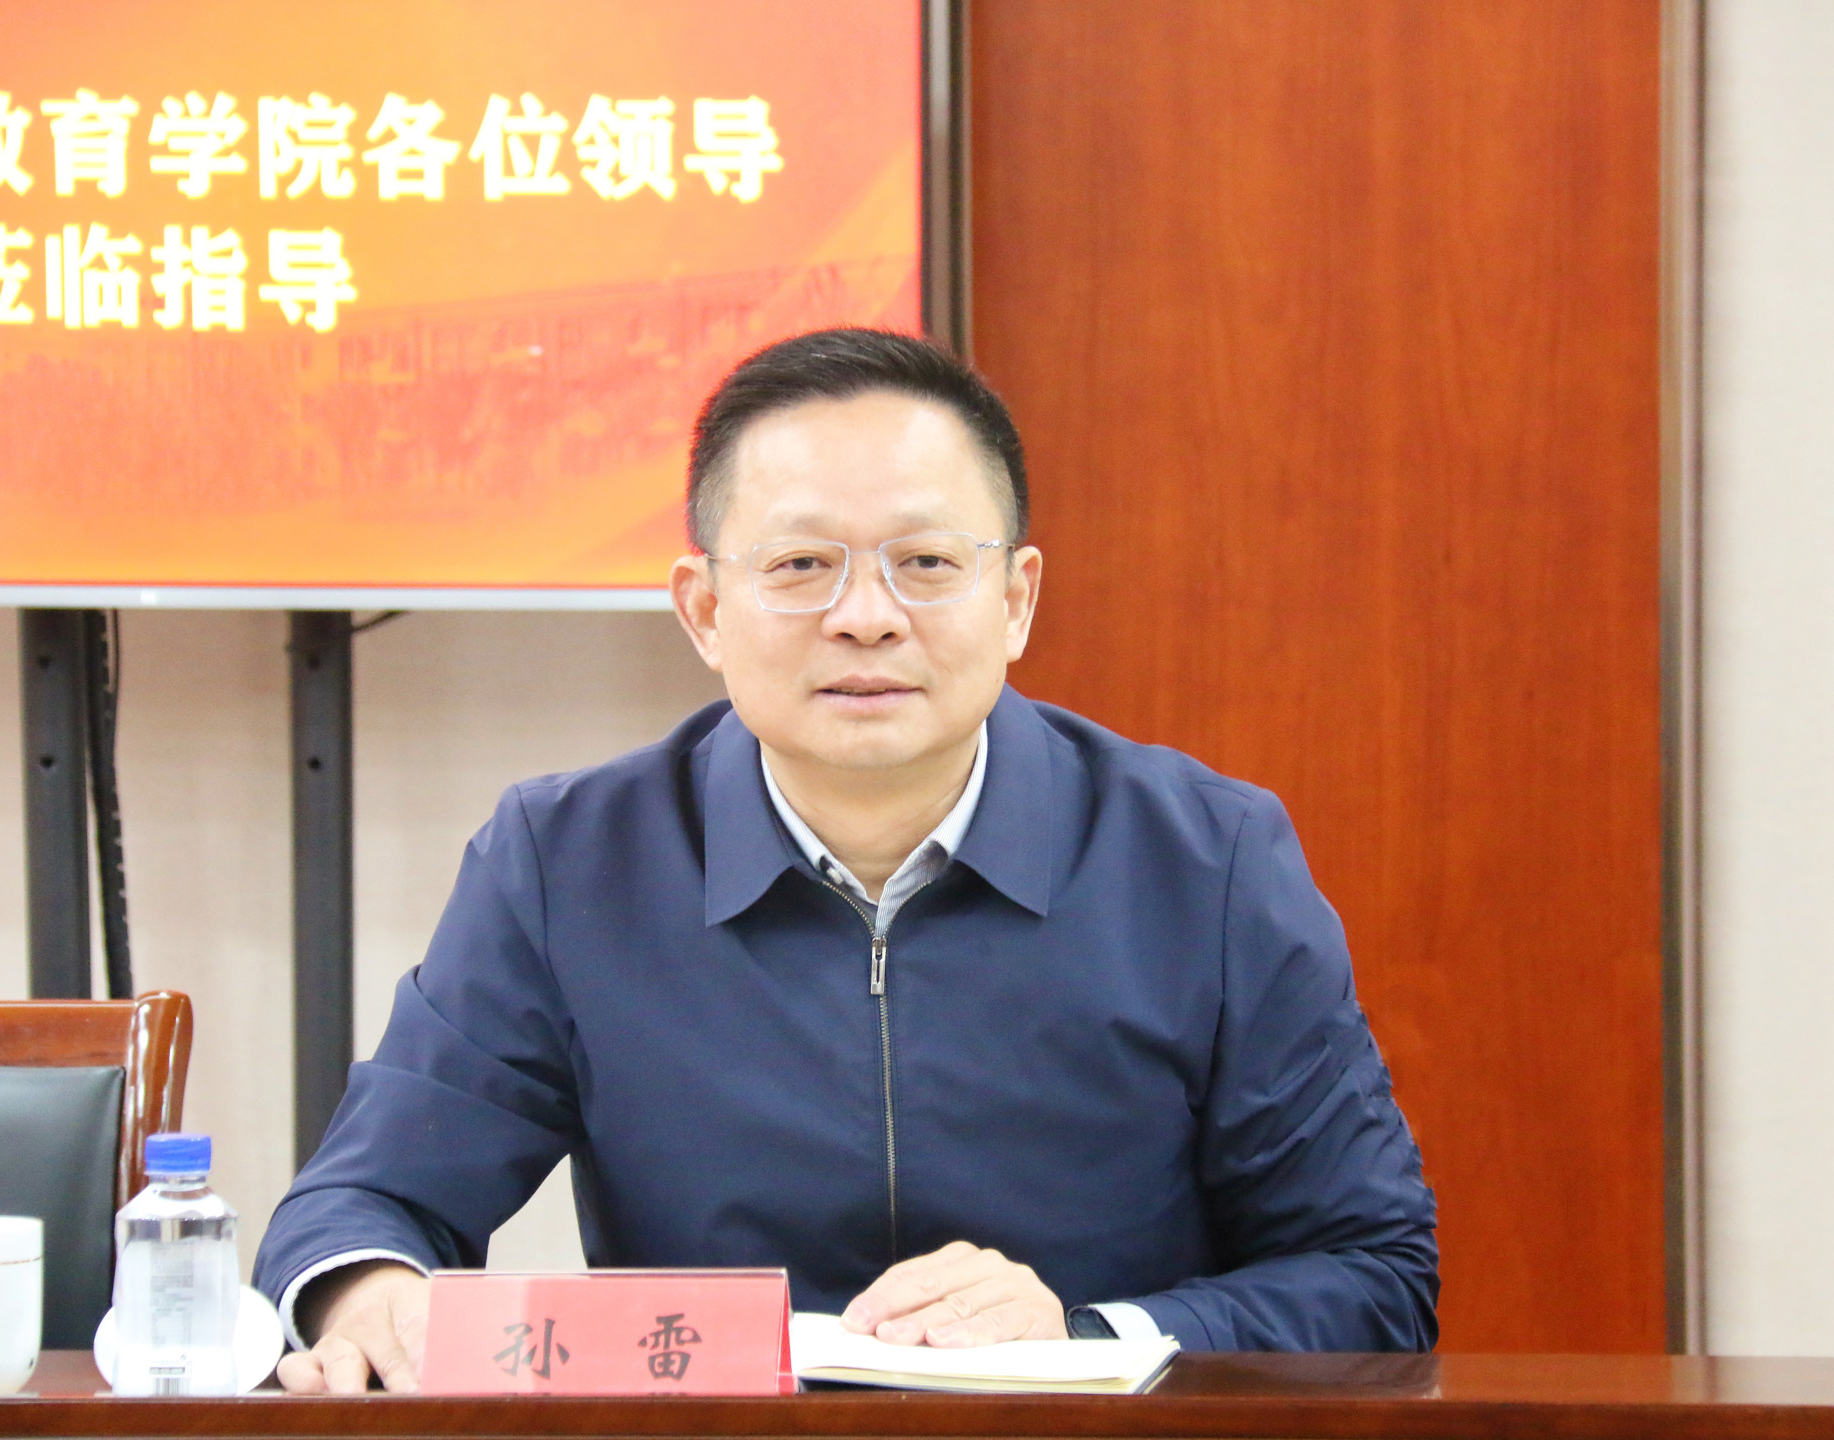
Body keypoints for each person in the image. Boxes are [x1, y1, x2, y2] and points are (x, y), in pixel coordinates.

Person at [255, 328, 1438, 1394]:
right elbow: (365, 1200)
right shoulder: (569, 863)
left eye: (926, 564)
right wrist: (371, 1296)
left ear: (1016, 598)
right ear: (703, 610)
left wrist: (1084, 1338)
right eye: (800, 566)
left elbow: (1372, 1274)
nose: (866, 616)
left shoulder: (1205, 861)